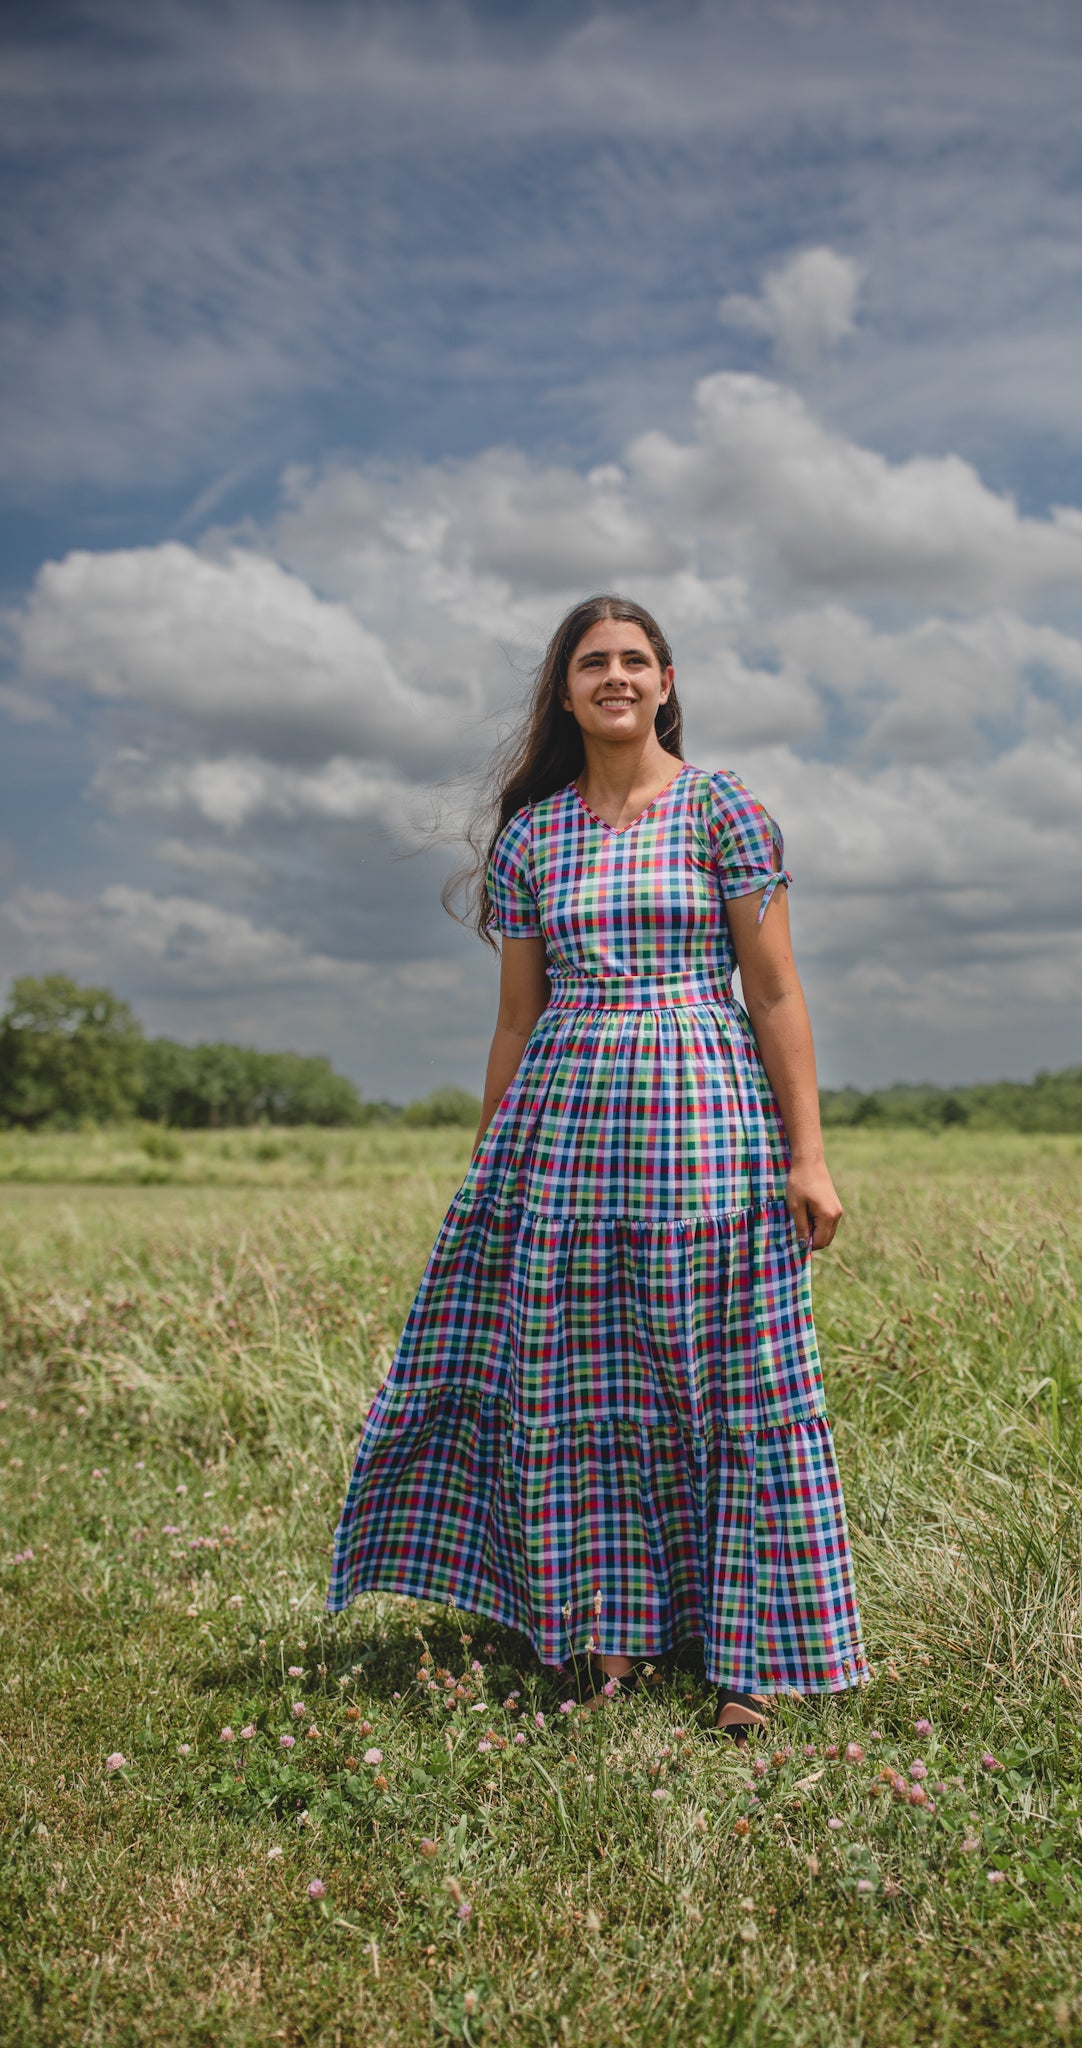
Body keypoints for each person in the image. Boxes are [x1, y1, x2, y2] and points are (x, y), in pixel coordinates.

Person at [328, 594, 867, 1738]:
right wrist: (492, 1162)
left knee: (735, 1378)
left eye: (634, 659)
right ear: (565, 691)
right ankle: (612, 1635)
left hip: (710, 1124)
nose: (614, 677)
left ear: (666, 681)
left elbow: (773, 991)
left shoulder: (727, 812)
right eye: (591, 663)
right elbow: (517, 1019)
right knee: (590, 1380)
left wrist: (807, 1156)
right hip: (568, 1131)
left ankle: (749, 1656)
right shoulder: (533, 838)